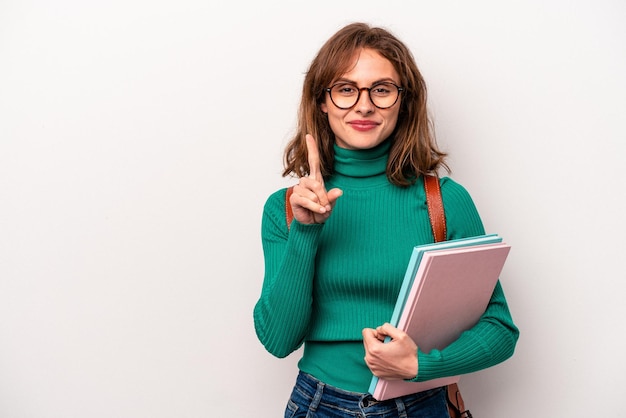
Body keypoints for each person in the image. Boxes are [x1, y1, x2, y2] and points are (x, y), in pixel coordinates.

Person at [253, 22, 519, 417]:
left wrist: (421, 366)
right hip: (318, 405)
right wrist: (306, 231)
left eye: (381, 89)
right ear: (322, 102)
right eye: (345, 89)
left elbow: (500, 328)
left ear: (403, 102)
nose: (364, 105)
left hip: (421, 403)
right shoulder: (287, 207)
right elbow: (278, 339)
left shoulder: (444, 201)